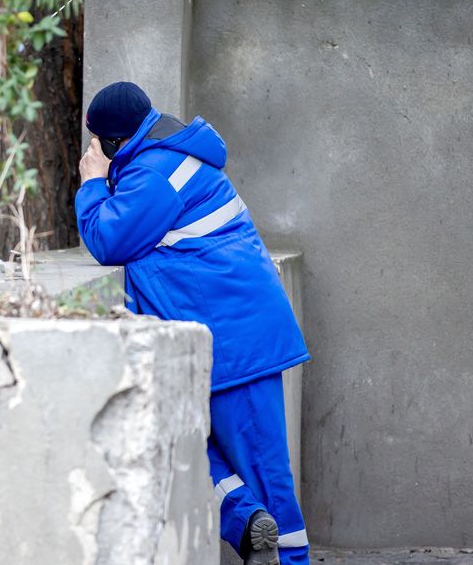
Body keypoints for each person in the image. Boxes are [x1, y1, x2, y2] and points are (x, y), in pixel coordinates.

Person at [75, 81, 310, 565]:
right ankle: (245, 520)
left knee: (267, 477)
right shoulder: (163, 158)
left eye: (97, 142)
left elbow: (107, 239)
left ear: (114, 142)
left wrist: (94, 180)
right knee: (181, 441)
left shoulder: (156, 174)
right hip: (221, 333)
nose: (93, 150)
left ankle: (286, 555)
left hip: (233, 344)